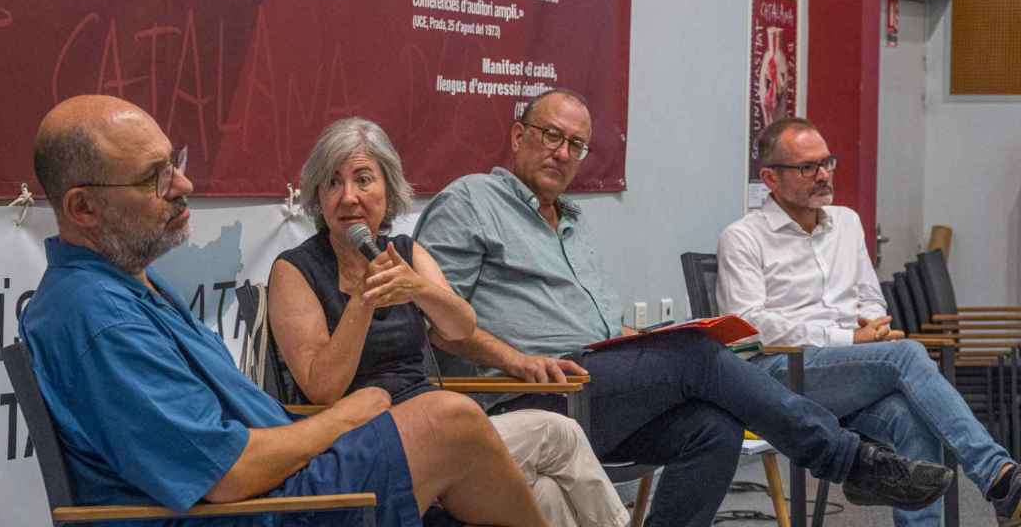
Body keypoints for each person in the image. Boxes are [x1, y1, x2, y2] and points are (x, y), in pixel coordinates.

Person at [413, 88, 954, 527]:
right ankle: (845, 459)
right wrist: (514, 361)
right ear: (518, 135)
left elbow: (595, 325)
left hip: (596, 387)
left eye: (576, 145)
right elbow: (435, 321)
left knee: (712, 425)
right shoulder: (470, 201)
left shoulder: (574, 225)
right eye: (551, 135)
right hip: (531, 397)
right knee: (694, 356)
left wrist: (647, 338)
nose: (562, 152)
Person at [19, 94, 553, 527]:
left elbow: (458, 328)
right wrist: (349, 414)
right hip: (259, 510)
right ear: (83, 208)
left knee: (524, 452)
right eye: (154, 178)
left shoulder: (131, 281)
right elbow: (226, 473)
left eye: (174, 164)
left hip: (280, 483)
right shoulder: (95, 317)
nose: (184, 186)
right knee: (451, 420)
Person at [268, 116, 629, 527]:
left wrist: (419, 289)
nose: (348, 196)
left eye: (363, 180)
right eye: (333, 183)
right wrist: (362, 301)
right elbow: (321, 388)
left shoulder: (405, 251)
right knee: (557, 435)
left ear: (388, 189)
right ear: (318, 194)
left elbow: (460, 328)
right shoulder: (294, 270)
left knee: (545, 489)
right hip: (366, 442)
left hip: (443, 429)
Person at [716, 116, 1021, 527]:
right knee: (906, 356)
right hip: (777, 373)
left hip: (844, 372)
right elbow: (748, 325)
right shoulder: (743, 237)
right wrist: (847, 337)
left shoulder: (845, 222)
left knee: (911, 417)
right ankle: (1001, 479)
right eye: (808, 168)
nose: (823, 175)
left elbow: (867, 295)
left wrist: (874, 326)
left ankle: (980, 498)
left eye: (827, 162)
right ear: (770, 177)